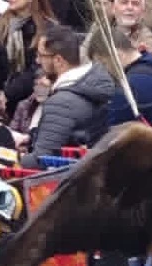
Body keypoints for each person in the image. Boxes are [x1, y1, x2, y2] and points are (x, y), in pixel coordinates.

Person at [21, 24, 114, 167]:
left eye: (41, 55)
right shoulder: (96, 84)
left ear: (58, 60)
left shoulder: (61, 103)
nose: (37, 61)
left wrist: (14, 157)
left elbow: (41, 160)